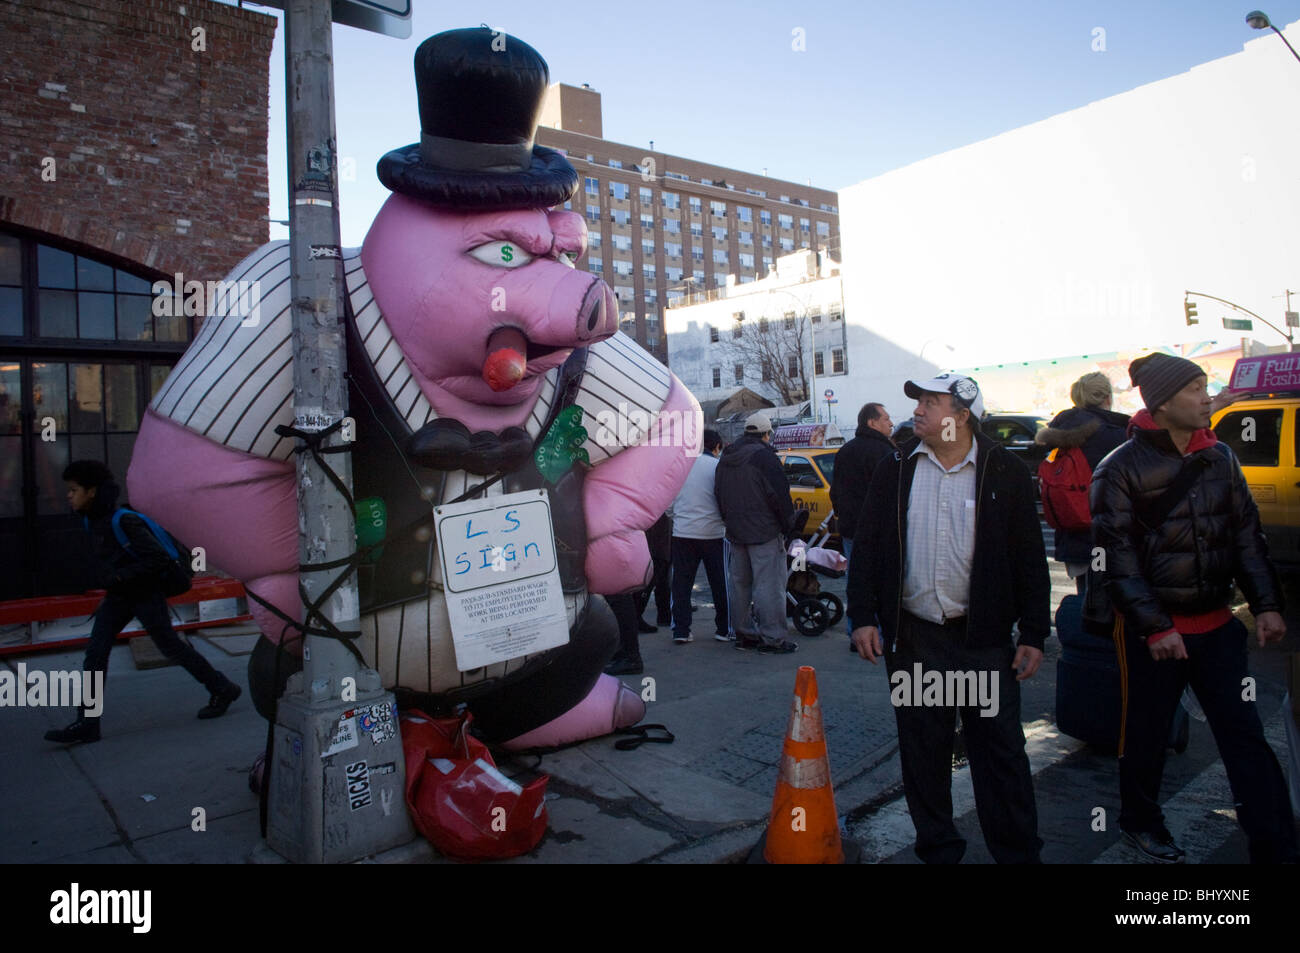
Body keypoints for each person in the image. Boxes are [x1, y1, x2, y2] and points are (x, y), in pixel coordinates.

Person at [1090, 353, 1298, 864]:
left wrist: (1266, 603)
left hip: (1218, 626)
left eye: (1207, 387)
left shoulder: (1221, 457)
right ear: (1161, 403)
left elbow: (1247, 535)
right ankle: (1141, 822)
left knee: (1244, 736)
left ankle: (1274, 841)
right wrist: (1157, 628)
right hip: (1154, 636)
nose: (1208, 397)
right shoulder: (1117, 469)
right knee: (1147, 733)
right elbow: (1117, 560)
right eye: (1196, 388)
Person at [848, 373, 1049, 863]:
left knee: (999, 755)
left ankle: (1018, 854)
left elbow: (1029, 556)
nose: (917, 410)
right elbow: (869, 548)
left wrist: (1035, 631)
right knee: (924, 753)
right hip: (916, 641)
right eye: (917, 402)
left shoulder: (1004, 471)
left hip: (981, 642)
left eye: (930, 402)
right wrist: (862, 617)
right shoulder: (896, 468)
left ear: (961, 417)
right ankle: (939, 851)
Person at [44, 461, 241, 745]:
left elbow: (159, 558)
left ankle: (223, 687)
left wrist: (119, 577)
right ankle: (88, 722)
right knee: (96, 653)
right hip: (121, 596)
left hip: (145, 594)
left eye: (74, 490)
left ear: (92, 491)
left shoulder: (124, 520)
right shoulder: (92, 520)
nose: (69, 495)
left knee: (170, 647)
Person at [1034, 372, 1129, 591]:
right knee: (1109, 606)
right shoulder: (1116, 435)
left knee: (1086, 598)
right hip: (1108, 539)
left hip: (1073, 536)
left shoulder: (1058, 433)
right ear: (1107, 398)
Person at [714, 412, 798, 654]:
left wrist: (728, 520)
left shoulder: (727, 457)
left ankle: (744, 634)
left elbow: (718, 492)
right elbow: (780, 497)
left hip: (735, 530)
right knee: (768, 586)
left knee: (740, 585)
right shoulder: (764, 458)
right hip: (764, 531)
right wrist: (787, 526)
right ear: (766, 434)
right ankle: (772, 638)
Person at [830, 401, 895, 647]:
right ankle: (876, 636)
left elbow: (834, 491)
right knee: (882, 582)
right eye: (886, 418)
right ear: (872, 422)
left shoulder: (845, 451)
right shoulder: (885, 453)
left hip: (850, 528)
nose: (890, 422)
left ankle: (856, 630)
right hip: (879, 531)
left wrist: (842, 515)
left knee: (856, 579)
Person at [666, 429, 729, 644]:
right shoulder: (719, 467)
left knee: (681, 584)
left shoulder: (680, 467)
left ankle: (681, 630)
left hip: (683, 533)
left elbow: (668, 503)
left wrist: (679, 517)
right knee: (721, 584)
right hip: (714, 534)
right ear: (717, 447)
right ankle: (723, 628)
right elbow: (726, 501)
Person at [635, 513, 673, 631]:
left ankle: (664, 614)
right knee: (655, 570)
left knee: (662, 569)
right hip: (654, 523)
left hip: (657, 522)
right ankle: (637, 616)